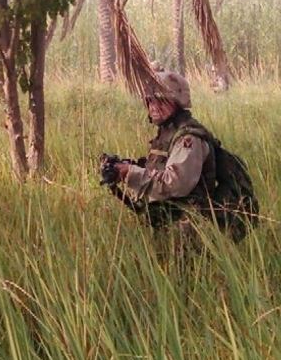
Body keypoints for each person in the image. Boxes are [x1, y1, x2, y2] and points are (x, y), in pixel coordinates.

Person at [103, 63, 256, 242]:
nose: (153, 106)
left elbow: (176, 183)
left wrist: (130, 173)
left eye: (161, 100)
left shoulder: (189, 138)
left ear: (177, 102)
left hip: (189, 229)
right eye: (150, 100)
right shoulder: (167, 133)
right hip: (169, 220)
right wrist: (125, 167)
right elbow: (159, 171)